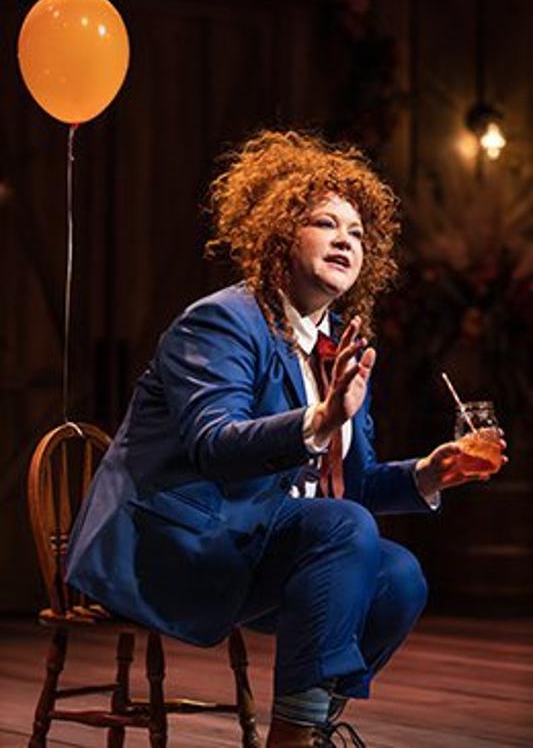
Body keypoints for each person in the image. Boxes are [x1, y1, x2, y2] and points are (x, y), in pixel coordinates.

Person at [66, 130, 506, 747]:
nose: (345, 240)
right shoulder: (223, 321)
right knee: (343, 527)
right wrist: (321, 420)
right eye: (325, 223)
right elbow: (214, 444)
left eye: (357, 233)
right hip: (177, 546)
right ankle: (293, 742)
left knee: (400, 574)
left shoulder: (338, 349)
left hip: (256, 549)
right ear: (279, 236)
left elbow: (348, 486)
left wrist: (427, 474)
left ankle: (309, 726)